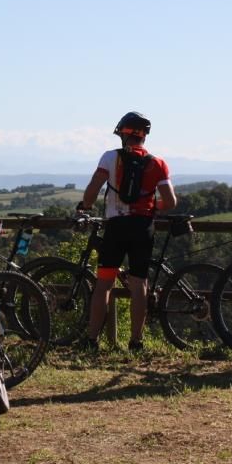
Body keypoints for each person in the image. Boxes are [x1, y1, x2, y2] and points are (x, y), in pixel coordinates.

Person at [76, 111, 177, 352]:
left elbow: (92, 190)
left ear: (124, 134)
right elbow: (170, 202)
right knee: (139, 284)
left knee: (104, 285)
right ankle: (136, 341)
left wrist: (85, 206)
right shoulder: (158, 163)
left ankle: (91, 340)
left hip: (116, 227)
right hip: (143, 228)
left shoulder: (110, 158)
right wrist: (153, 207)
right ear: (144, 137)